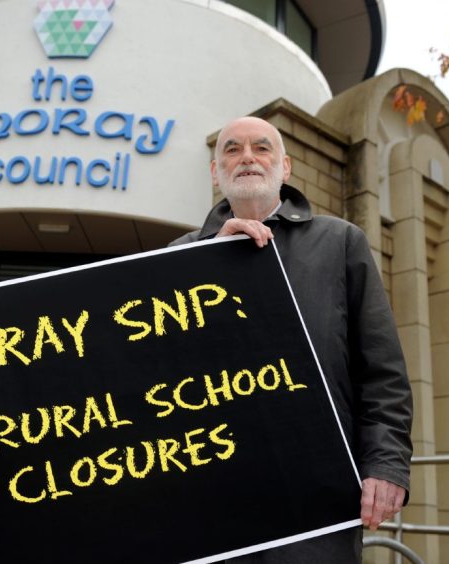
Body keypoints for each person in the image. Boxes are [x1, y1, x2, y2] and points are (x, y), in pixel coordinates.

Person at [171, 117, 412, 563]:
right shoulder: (177, 256)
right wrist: (207, 264)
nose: (246, 157)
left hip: (315, 501)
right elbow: (151, 369)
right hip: (209, 503)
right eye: (232, 149)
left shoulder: (340, 242)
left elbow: (381, 372)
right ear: (214, 172)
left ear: (285, 167)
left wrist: (386, 464)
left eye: (261, 148)